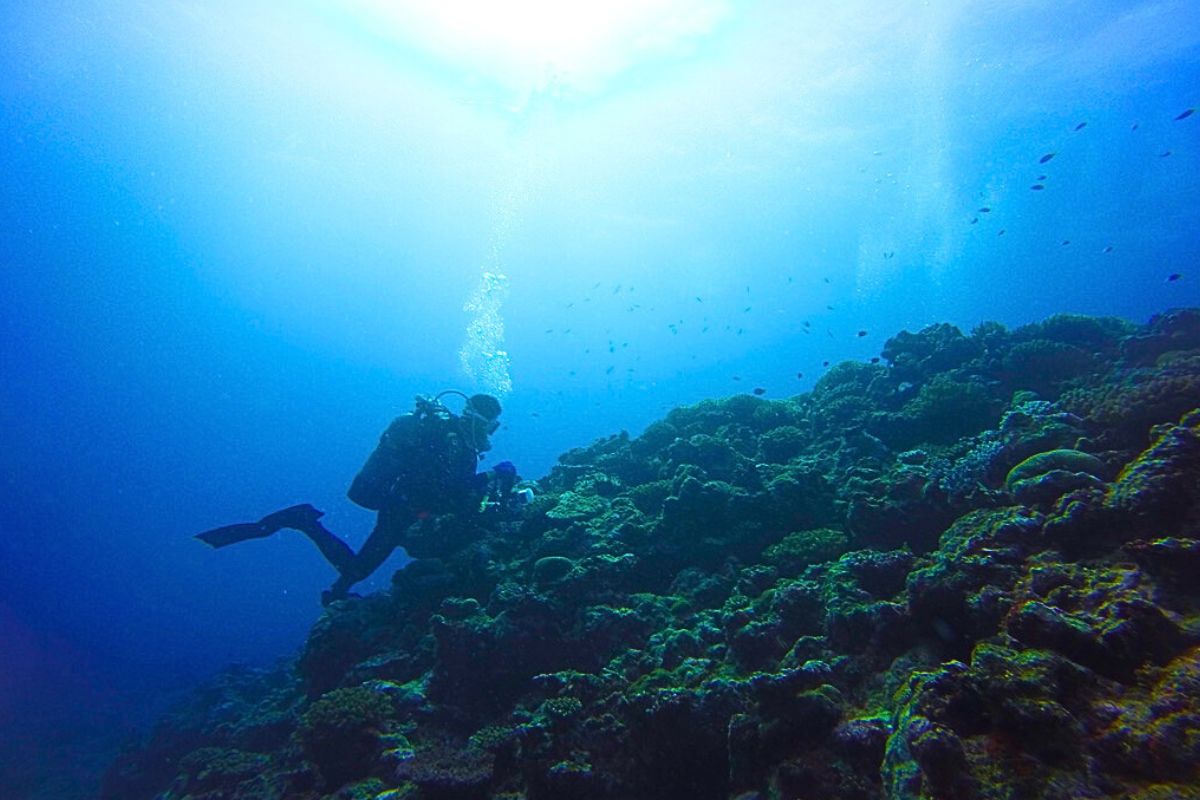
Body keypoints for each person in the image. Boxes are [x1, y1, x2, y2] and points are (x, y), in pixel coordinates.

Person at [196, 391, 503, 605]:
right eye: (493, 425)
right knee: (361, 566)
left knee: (360, 566)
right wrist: (491, 477)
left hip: (403, 505)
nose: (493, 432)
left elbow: (444, 488)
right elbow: (444, 490)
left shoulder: (452, 438)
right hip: (403, 508)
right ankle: (305, 523)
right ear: (480, 420)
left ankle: (337, 590)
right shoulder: (453, 442)